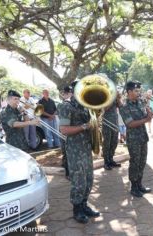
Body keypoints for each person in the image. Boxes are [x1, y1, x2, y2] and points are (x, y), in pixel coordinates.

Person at [58, 81, 100, 224]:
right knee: (78, 180)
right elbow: (63, 130)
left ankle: (84, 205)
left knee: (89, 179)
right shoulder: (65, 106)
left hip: (86, 147)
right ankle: (77, 209)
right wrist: (85, 126)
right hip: (75, 149)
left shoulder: (86, 107)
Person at [119, 81, 153, 198]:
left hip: (143, 136)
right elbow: (130, 124)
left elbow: (145, 117)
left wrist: (149, 114)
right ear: (129, 92)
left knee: (142, 161)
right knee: (135, 162)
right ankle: (134, 187)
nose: (138, 93)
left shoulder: (140, 103)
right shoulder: (124, 106)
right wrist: (146, 119)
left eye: (139, 90)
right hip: (133, 139)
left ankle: (139, 184)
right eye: (136, 91)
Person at [102, 90, 122, 170]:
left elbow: (120, 105)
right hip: (107, 123)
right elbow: (105, 108)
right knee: (107, 143)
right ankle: (106, 162)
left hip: (115, 122)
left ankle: (111, 159)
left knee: (114, 142)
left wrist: (118, 97)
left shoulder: (114, 97)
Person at [57, 85, 74, 179]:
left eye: (67, 93)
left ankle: (70, 171)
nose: (66, 95)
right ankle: (67, 173)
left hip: (70, 131)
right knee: (66, 152)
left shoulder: (71, 104)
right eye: (64, 93)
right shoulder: (63, 105)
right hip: (65, 131)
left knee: (69, 153)